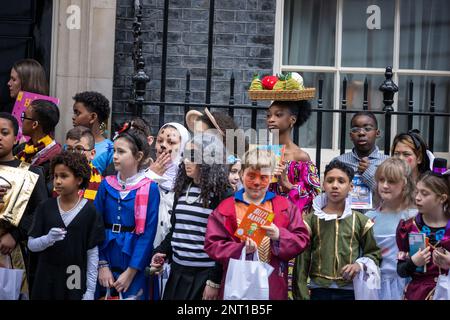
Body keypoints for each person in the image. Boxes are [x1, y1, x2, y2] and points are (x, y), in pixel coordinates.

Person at [204, 148, 310, 300]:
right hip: (235, 281)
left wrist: (279, 235)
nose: (257, 182)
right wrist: (240, 249)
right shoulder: (226, 207)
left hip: (272, 281)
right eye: (251, 176)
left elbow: (302, 239)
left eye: (263, 177)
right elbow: (212, 244)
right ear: (241, 175)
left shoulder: (285, 207)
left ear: (272, 176)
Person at [150, 133, 231, 300]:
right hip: (177, 272)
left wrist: (214, 281)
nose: (187, 161)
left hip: (204, 275)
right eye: (185, 156)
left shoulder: (223, 194)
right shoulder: (182, 188)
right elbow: (176, 230)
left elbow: (225, 242)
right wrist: (161, 252)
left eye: (193, 156)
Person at [293, 160, 381, 300]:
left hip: (350, 291)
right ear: (323, 185)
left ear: (350, 186)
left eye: (341, 181)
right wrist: (302, 295)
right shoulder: (310, 221)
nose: (335, 186)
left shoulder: (361, 221)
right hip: (319, 290)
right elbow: (301, 265)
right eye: (330, 181)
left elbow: (374, 254)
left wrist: (359, 265)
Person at [94, 121, 159, 300]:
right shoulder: (106, 184)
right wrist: (102, 264)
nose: (115, 156)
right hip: (106, 253)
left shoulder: (149, 188)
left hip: (134, 258)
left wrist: (131, 272)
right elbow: (96, 225)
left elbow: (148, 233)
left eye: (121, 152)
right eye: (114, 150)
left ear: (138, 156)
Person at [27, 151, 104, 300]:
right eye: (55, 176)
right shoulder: (45, 207)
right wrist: (47, 239)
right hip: (45, 276)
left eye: (64, 176)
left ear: (79, 179)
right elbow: (31, 245)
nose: (57, 181)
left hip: (73, 275)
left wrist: (89, 291)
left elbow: (92, 254)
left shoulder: (90, 211)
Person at [266, 99, 321, 299]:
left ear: (292, 120)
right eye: (269, 115)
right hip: (263, 225)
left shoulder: (301, 157)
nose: (271, 119)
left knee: (289, 283)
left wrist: (287, 185)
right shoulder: (263, 153)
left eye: (278, 114)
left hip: (289, 229)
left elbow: (314, 197)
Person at [0, 112, 47, 298]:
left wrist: (15, 234)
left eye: (4, 132)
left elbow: (41, 211)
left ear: (15, 138)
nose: (0, 137)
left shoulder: (31, 173)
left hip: (14, 251)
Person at [365, 158, 417, 300]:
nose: (385, 185)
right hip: (374, 286)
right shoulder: (369, 217)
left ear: (405, 184)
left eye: (392, 181)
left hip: (407, 285)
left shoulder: (415, 217)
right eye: (381, 180)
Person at [396, 171, 450, 300]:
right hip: (417, 293)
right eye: (417, 192)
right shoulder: (408, 227)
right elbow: (401, 271)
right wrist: (413, 263)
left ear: (442, 198)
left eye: (424, 194)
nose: (418, 198)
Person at [333, 111, 389, 209]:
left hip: (377, 219)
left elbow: (390, 197)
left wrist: (368, 172)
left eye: (367, 129)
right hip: (347, 220)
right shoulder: (339, 162)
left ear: (377, 133)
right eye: (355, 129)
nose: (361, 133)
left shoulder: (388, 163)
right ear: (350, 135)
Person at [15, 99, 61, 187]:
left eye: (24, 116)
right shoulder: (22, 148)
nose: (22, 119)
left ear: (34, 125)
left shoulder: (55, 157)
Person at [72, 91, 113, 175]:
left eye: (78, 113)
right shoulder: (70, 143)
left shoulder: (110, 150)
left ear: (93, 117)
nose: (73, 117)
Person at [63, 126, 102, 201]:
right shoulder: (57, 181)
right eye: (69, 149)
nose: (73, 154)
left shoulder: (102, 185)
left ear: (92, 154)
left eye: (79, 149)